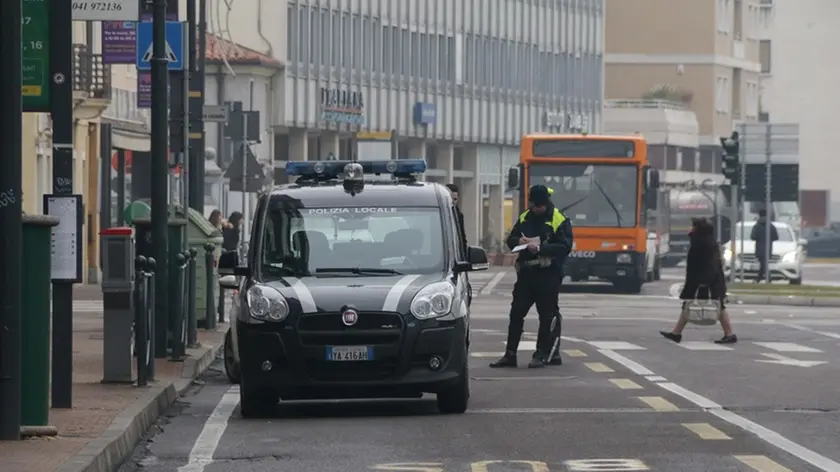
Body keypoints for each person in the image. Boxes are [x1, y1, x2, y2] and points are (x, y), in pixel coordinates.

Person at [490, 185, 574, 368]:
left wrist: (541, 248)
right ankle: (510, 354)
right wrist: (518, 241)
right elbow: (511, 238)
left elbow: (565, 246)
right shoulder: (525, 216)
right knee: (516, 313)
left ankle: (542, 354)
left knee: (546, 316)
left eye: (538, 206)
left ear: (545, 204)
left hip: (548, 274)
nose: (534, 209)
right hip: (526, 274)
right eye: (533, 205)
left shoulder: (558, 219)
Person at [660, 217, 737, 344]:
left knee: (715, 306)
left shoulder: (702, 242)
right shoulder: (705, 241)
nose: (691, 228)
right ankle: (676, 333)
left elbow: (709, 264)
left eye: (693, 226)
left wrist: (704, 282)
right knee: (696, 305)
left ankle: (729, 334)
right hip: (708, 280)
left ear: (698, 228)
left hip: (705, 282)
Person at [446, 183, 471, 305]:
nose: (453, 202)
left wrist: (465, 258)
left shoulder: (458, 215)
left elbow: (462, 239)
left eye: (455, 199)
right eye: (451, 199)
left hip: (457, 263)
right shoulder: (440, 216)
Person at [750, 209, 778, 283]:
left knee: (763, 264)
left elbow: (753, 237)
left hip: (759, 249)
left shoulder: (756, 226)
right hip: (768, 248)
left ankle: (760, 279)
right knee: (764, 264)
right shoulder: (771, 226)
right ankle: (766, 278)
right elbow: (776, 237)